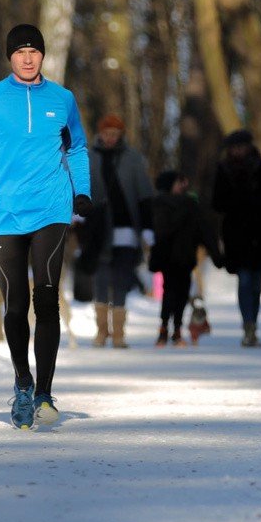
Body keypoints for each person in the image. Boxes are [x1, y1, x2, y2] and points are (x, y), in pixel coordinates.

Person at [0, 23, 90, 429]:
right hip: (3, 211)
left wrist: (81, 191)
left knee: (46, 299)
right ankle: (23, 385)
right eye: (20, 52)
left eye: (34, 51)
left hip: (50, 208)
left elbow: (78, 147)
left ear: (43, 56)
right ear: (10, 57)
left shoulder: (62, 99)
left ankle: (46, 394)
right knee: (15, 305)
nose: (27, 58)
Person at [79, 113, 154, 348]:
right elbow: (81, 191)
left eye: (114, 134)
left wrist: (147, 227)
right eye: (106, 133)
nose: (110, 138)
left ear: (121, 135)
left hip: (126, 227)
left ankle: (119, 333)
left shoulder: (133, 159)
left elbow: (144, 195)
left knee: (121, 277)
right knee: (101, 276)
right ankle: (102, 331)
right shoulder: (90, 158)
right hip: (98, 228)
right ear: (100, 134)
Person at [210, 130, 261, 347]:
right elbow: (217, 202)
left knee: (255, 282)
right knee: (245, 279)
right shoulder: (224, 170)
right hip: (237, 233)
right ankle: (248, 324)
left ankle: (252, 322)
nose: (238, 151)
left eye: (241, 147)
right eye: (234, 148)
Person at [148, 170, 222, 346]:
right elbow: (161, 229)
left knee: (181, 293)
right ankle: (165, 328)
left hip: (185, 256)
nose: (183, 185)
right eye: (178, 182)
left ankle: (176, 329)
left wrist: (216, 253)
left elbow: (204, 231)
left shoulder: (190, 205)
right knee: (171, 293)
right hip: (169, 257)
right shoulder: (163, 205)